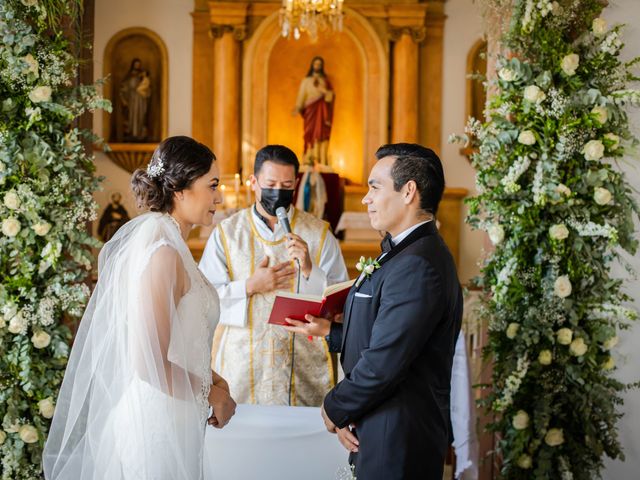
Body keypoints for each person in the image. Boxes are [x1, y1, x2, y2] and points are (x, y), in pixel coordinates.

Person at [43, 136, 237, 480]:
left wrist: (215, 381)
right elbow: (148, 363)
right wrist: (211, 394)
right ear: (179, 189)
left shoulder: (175, 248)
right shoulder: (162, 254)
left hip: (179, 411)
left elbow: (183, 340)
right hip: (157, 422)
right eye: (212, 185)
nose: (218, 198)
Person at [284, 143, 463, 479]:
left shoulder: (418, 265)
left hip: (398, 433)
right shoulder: (402, 252)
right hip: (379, 422)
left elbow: (385, 361)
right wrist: (332, 332)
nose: (365, 198)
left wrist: (334, 408)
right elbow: (391, 337)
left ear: (409, 191)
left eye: (374, 187)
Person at [199, 144, 348, 407]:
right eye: (270, 183)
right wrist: (249, 286)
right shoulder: (227, 234)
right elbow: (203, 298)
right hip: (243, 365)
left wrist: (311, 270)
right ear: (254, 182)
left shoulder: (320, 234)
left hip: (302, 365)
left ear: (295, 184)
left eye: (286, 184)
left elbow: (339, 301)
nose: (278, 192)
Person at [294, 56, 334, 166]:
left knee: (321, 133)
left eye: (319, 64)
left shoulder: (325, 81)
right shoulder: (306, 81)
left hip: (322, 110)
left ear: (322, 66)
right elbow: (301, 96)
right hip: (310, 110)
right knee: (309, 133)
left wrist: (324, 91)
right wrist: (298, 107)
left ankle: (321, 160)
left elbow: (330, 97)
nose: (317, 66)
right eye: (316, 64)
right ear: (312, 65)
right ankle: (308, 158)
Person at [118, 58, 150, 141]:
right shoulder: (129, 76)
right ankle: (131, 133)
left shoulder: (142, 75)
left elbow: (147, 86)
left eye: (138, 64)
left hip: (141, 99)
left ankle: (140, 134)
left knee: (141, 115)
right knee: (131, 116)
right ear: (133, 65)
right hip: (131, 99)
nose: (137, 66)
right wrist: (124, 99)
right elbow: (123, 87)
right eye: (136, 64)